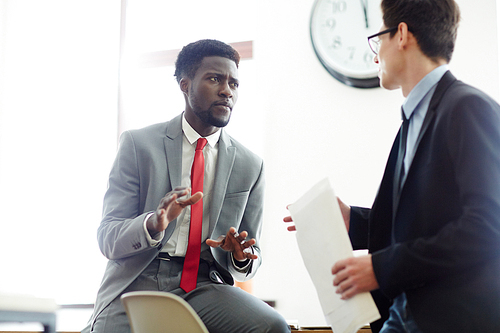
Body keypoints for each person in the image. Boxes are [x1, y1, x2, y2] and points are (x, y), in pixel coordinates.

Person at [285, 1, 500, 332]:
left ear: (401, 35)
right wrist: (353, 220)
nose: (375, 55)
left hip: (449, 315)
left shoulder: (468, 107)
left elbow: (486, 228)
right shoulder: (414, 120)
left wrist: (380, 268)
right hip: (407, 309)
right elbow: (425, 224)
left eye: (378, 39)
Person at [83, 39, 290, 333]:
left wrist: (241, 257)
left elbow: (250, 254)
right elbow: (107, 237)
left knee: (273, 326)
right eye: (215, 79)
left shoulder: (250, 165)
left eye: (234, 83)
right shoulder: (138, 145)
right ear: (185, 84)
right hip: (138, 279)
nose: (227, 90)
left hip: (204, 285)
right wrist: (153, 223)